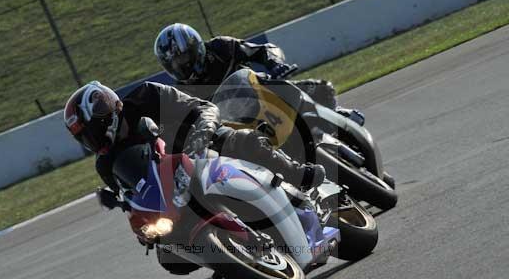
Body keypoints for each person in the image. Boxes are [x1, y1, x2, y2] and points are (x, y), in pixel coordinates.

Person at [63, 81, 325, 203]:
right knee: (171, 258)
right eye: (83, 137)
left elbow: (204, 108)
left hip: (202, 145)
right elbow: (133, 201)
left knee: (242, 141)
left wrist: (202, 133)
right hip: (176, 187)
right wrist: (124, 206)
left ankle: (295, 172)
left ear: (102, 118)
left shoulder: (149, 95)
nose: (90, 141)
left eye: (89, 132)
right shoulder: (106, 163)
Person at [153, 23, 362, 124]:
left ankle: (337, 116)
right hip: (238, 127)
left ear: (195, 48)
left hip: (263, 93)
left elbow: (262, 50)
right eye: (174, 63)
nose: (182, 66)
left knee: (321, 89)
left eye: (183, 59)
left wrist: (274, 63)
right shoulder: (183, 92)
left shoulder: (220, 47)